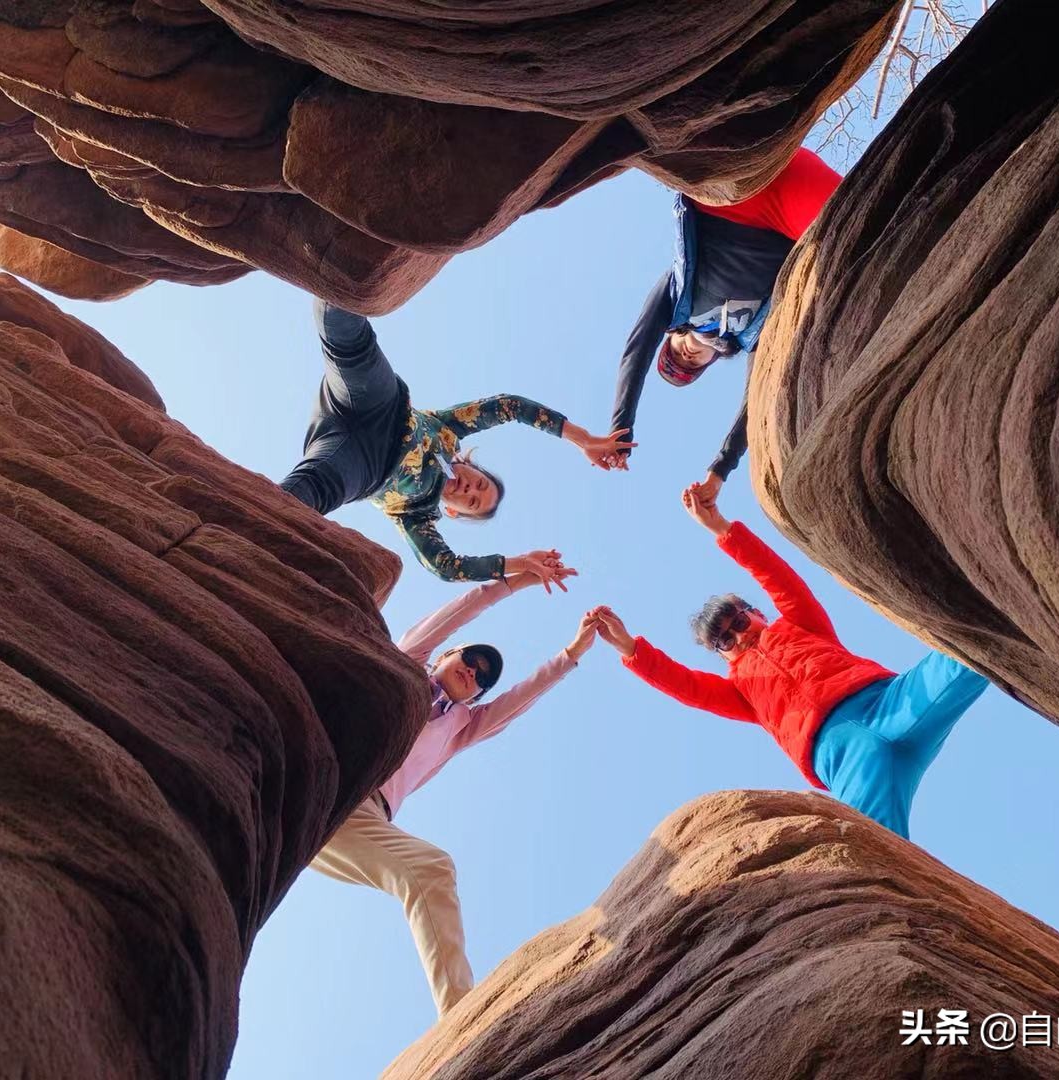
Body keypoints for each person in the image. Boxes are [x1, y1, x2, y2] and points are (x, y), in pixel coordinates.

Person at [585, 484, 988, 841]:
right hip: (842, 759)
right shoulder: (739, 691)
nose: (739, 635)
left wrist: (721, 529)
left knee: (971, 647)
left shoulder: (799, 623)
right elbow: (686, 686)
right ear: (722, 654)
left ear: (757, 613)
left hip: (889, 704)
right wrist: (628, 647)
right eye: (725, 639)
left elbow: (777, 576)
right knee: (879, 853)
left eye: (740, 621)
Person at [309, 567, 596, 1016]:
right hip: (324, 774)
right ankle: (464, 1017)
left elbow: (520, 697)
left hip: (359, 815)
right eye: (469, 659)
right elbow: (457, 613)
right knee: (430, 869)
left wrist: (572, 654)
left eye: (481, 677)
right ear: (444, 655)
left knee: (429, 870)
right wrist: (513, 579)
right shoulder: (406, 663)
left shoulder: (461, 728)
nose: (472, 671)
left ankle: (461, 1023)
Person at [280, 299, 632, 582]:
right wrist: (582, 438)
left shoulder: (416, 516)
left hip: (361, 464)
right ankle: (337, 257)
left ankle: (242, 535)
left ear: (453, 511)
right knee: (342, 326)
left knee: (307, 494)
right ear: (468, 465)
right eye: (480, 484)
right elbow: (508, 407)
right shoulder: (448, 432)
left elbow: (446, 567)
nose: (470, 490)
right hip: (379, 406)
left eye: (473, 502)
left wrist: (518, 563)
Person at [603, 146, 841, 499]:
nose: (685, 357)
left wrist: (621, 428)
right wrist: (720, 470)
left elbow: (636, 351)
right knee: (869, 228)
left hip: (735, 202)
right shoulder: (751, 337)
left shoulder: (676, 297)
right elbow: (755, 401)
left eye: (674, 354)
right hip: (791, 225)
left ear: (670, 336)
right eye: (689, 366)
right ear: (710, 362)